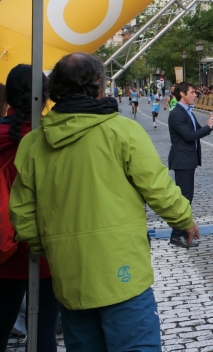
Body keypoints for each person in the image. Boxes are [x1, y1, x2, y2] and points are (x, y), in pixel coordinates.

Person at [9, 53, 199, 351]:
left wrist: (46, 246)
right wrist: (184, 220)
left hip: (69, 276)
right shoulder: (122, 131)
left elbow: (20, 211)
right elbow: (158, 187)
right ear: (99, 86)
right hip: (123, 275)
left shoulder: (34, 143)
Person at [0, 66, 58, 352]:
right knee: (45, 330)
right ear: (45, 95)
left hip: (4, 247)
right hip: (46, 244)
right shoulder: (54, 135)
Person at [167, 81, 213, 248]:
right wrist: (208, 126)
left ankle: (179, 232)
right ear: (182, 94)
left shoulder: (188, 112)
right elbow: (190, 135)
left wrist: (209, 125)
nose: (196, 95)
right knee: (183, 198)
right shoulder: (176, 114)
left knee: (186, 197)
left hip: (189, 160)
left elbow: (197, 130)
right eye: (192, 92)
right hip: (182, 160)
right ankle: (177, 234)